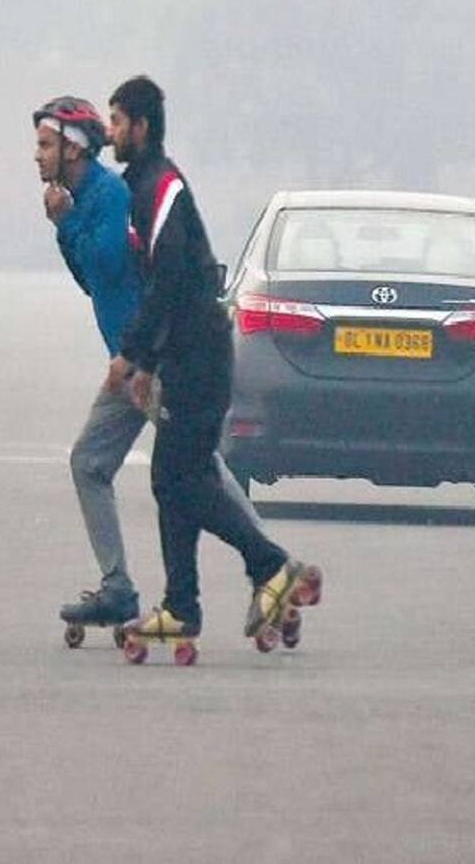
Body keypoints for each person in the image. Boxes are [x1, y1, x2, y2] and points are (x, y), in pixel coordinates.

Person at [104, 75, 320, 646]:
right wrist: (150, 362)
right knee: (177, 479)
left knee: (179, 478)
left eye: (118, 121)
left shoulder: (162, 188)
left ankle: (269, 565)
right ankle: (183, 605)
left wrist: (132, 354)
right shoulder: (143, 186)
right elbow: (163, 283)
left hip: (199, 356)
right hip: (186, 354)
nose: (110, 132)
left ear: (141, 126)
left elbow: (171, 279)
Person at [33, 95, 261, 635]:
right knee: (91, 463)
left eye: (45, 145)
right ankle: (119, 588)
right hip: (128, 362)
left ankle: (270, 568)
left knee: (199, 471)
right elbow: (93, 280)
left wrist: (143, 359)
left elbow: (118, 265)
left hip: (151, 360)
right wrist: (64, 226)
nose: (36, 156)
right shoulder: (82, 201)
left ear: (73, 149)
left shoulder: (112, 196)